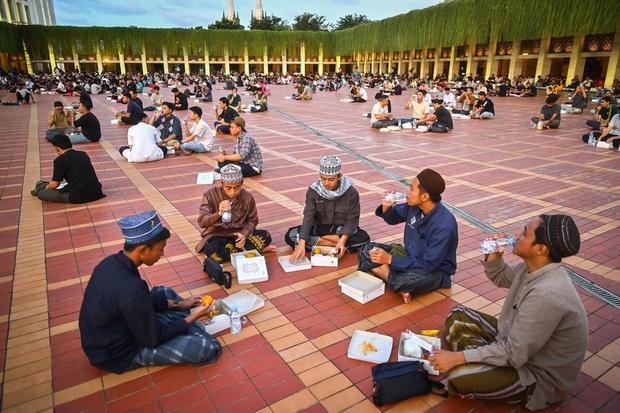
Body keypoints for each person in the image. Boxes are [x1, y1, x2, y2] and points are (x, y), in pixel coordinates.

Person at [430, 215, 587, 411]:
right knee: (458, 315)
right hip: (515, 345)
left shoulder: (547, 293)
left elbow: (515, 354)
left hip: (535, 376)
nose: (517, 235)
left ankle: (480, 364)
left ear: (540, 249)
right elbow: (502, 277)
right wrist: (494, 256)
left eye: (524, 233)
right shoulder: (534, 267)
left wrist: (458, 358)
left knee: (459, 377)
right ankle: (485, 362)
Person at [79, 210, 221, 373]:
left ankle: (185, 325)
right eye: (160, 249)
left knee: (163, 292)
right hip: (117, 353)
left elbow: (141, 299)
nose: (162, 254)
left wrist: (181, 304)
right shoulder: (131, 290)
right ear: (143, 250)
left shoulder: (111, 262)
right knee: (209, 347)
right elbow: (153, 338)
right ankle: (188, 327)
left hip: (118, 330)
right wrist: (192, 317)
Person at [358, 169, 458, 303]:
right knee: (367, 249)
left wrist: (390, 260)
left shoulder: (444, 225)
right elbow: (393, 218)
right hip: (409, 256)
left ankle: (395, 280)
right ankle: (398, 286)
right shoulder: (415, 206)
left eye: (411, 188)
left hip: (433, 271)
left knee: (406, 280)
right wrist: (386, 208)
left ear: (424, 197)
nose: (407, 192)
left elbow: (427, 264)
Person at [286, 155, 370, 261]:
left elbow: (352, 219)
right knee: (290, 235)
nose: (326, 183)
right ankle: (328, 242)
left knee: (364, 239)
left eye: (331, 179)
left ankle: (326, 242)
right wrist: (301, 244)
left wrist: (342, 239)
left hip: (340, 230)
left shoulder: (351, 193)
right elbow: (308, 216)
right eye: (323, 178)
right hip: (320, 229)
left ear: (339, 176)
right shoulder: (313, 190)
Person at [195, 164, 275, 263]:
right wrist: (218, 213)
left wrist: (244, 234)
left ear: (241, 183)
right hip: (218, 234)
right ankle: (252, 250)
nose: (232, 192)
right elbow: (202, 223)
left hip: (239, 234)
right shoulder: (210, 195)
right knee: (211, 249)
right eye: (228, 188)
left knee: (266, 236)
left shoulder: (247, 197)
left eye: (237, 187)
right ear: (222, 183)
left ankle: (230, 253)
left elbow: (253, 220)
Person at [35, 133, 105, 204]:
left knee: (41, 193)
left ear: (57, 148)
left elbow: (55, 184)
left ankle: (41, 187)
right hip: (97, 192)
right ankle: (42, 186)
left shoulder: (59, 160)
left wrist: (46, 188)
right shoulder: (83, 154)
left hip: (78, 196)